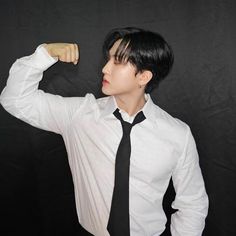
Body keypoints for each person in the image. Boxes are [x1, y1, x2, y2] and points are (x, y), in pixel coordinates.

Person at [0, 27, 208, 236]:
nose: (105, 69)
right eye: (108, 59)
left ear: (143, 77)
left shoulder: (178, 134)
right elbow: (15, 100)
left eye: (118, 61)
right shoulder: (79, 115)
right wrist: (45, 53)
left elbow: (193, 203)